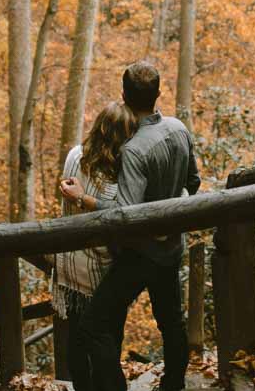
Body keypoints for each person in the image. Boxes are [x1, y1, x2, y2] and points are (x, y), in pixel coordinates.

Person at [61, 61, 201, 391]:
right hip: (172, 248)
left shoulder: (134, 150)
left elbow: (125, 214)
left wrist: (83, 198)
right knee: (171, 323)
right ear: (158, 94)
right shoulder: (179, 129)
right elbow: (192, 184)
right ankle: (174, 385)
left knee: (93, 325)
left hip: (140, 255)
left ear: (123, 95)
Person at [53, 101, 139, 385]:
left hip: (68, 268)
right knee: (108, 336)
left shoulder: (75, 156)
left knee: (77, 339)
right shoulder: (117, 177)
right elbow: (119, 218)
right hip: (101, 271)